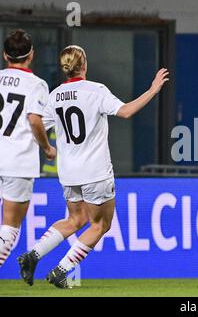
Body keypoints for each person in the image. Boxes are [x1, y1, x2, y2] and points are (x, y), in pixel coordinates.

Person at [18, 45, 169, 288]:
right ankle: (61, 270)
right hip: (95, 172)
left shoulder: (54, 95)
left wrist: (46, 148)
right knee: (101, 225)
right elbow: (126, 112)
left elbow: (34, 125)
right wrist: (152, 90)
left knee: (76, 220)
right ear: (84, 64)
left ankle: (32, 255)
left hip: (68, 173)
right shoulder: (96, 90)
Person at [0, 29, 56, 269]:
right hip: (17, 161)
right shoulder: (37, 85)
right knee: (10, 226)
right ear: (31, 55)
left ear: (5, 55)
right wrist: (47, 147)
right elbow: (34, 120)